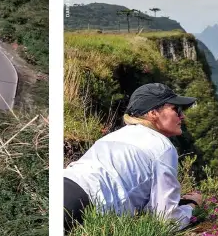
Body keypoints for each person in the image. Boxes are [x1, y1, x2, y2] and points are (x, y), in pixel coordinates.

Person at [63, 83, 202, 232]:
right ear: (153, 113)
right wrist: (191, 206)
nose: (182, 115)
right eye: (176, 109)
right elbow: (167, 220)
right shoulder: (162, 147)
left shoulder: (114, 136)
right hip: (84, 207)